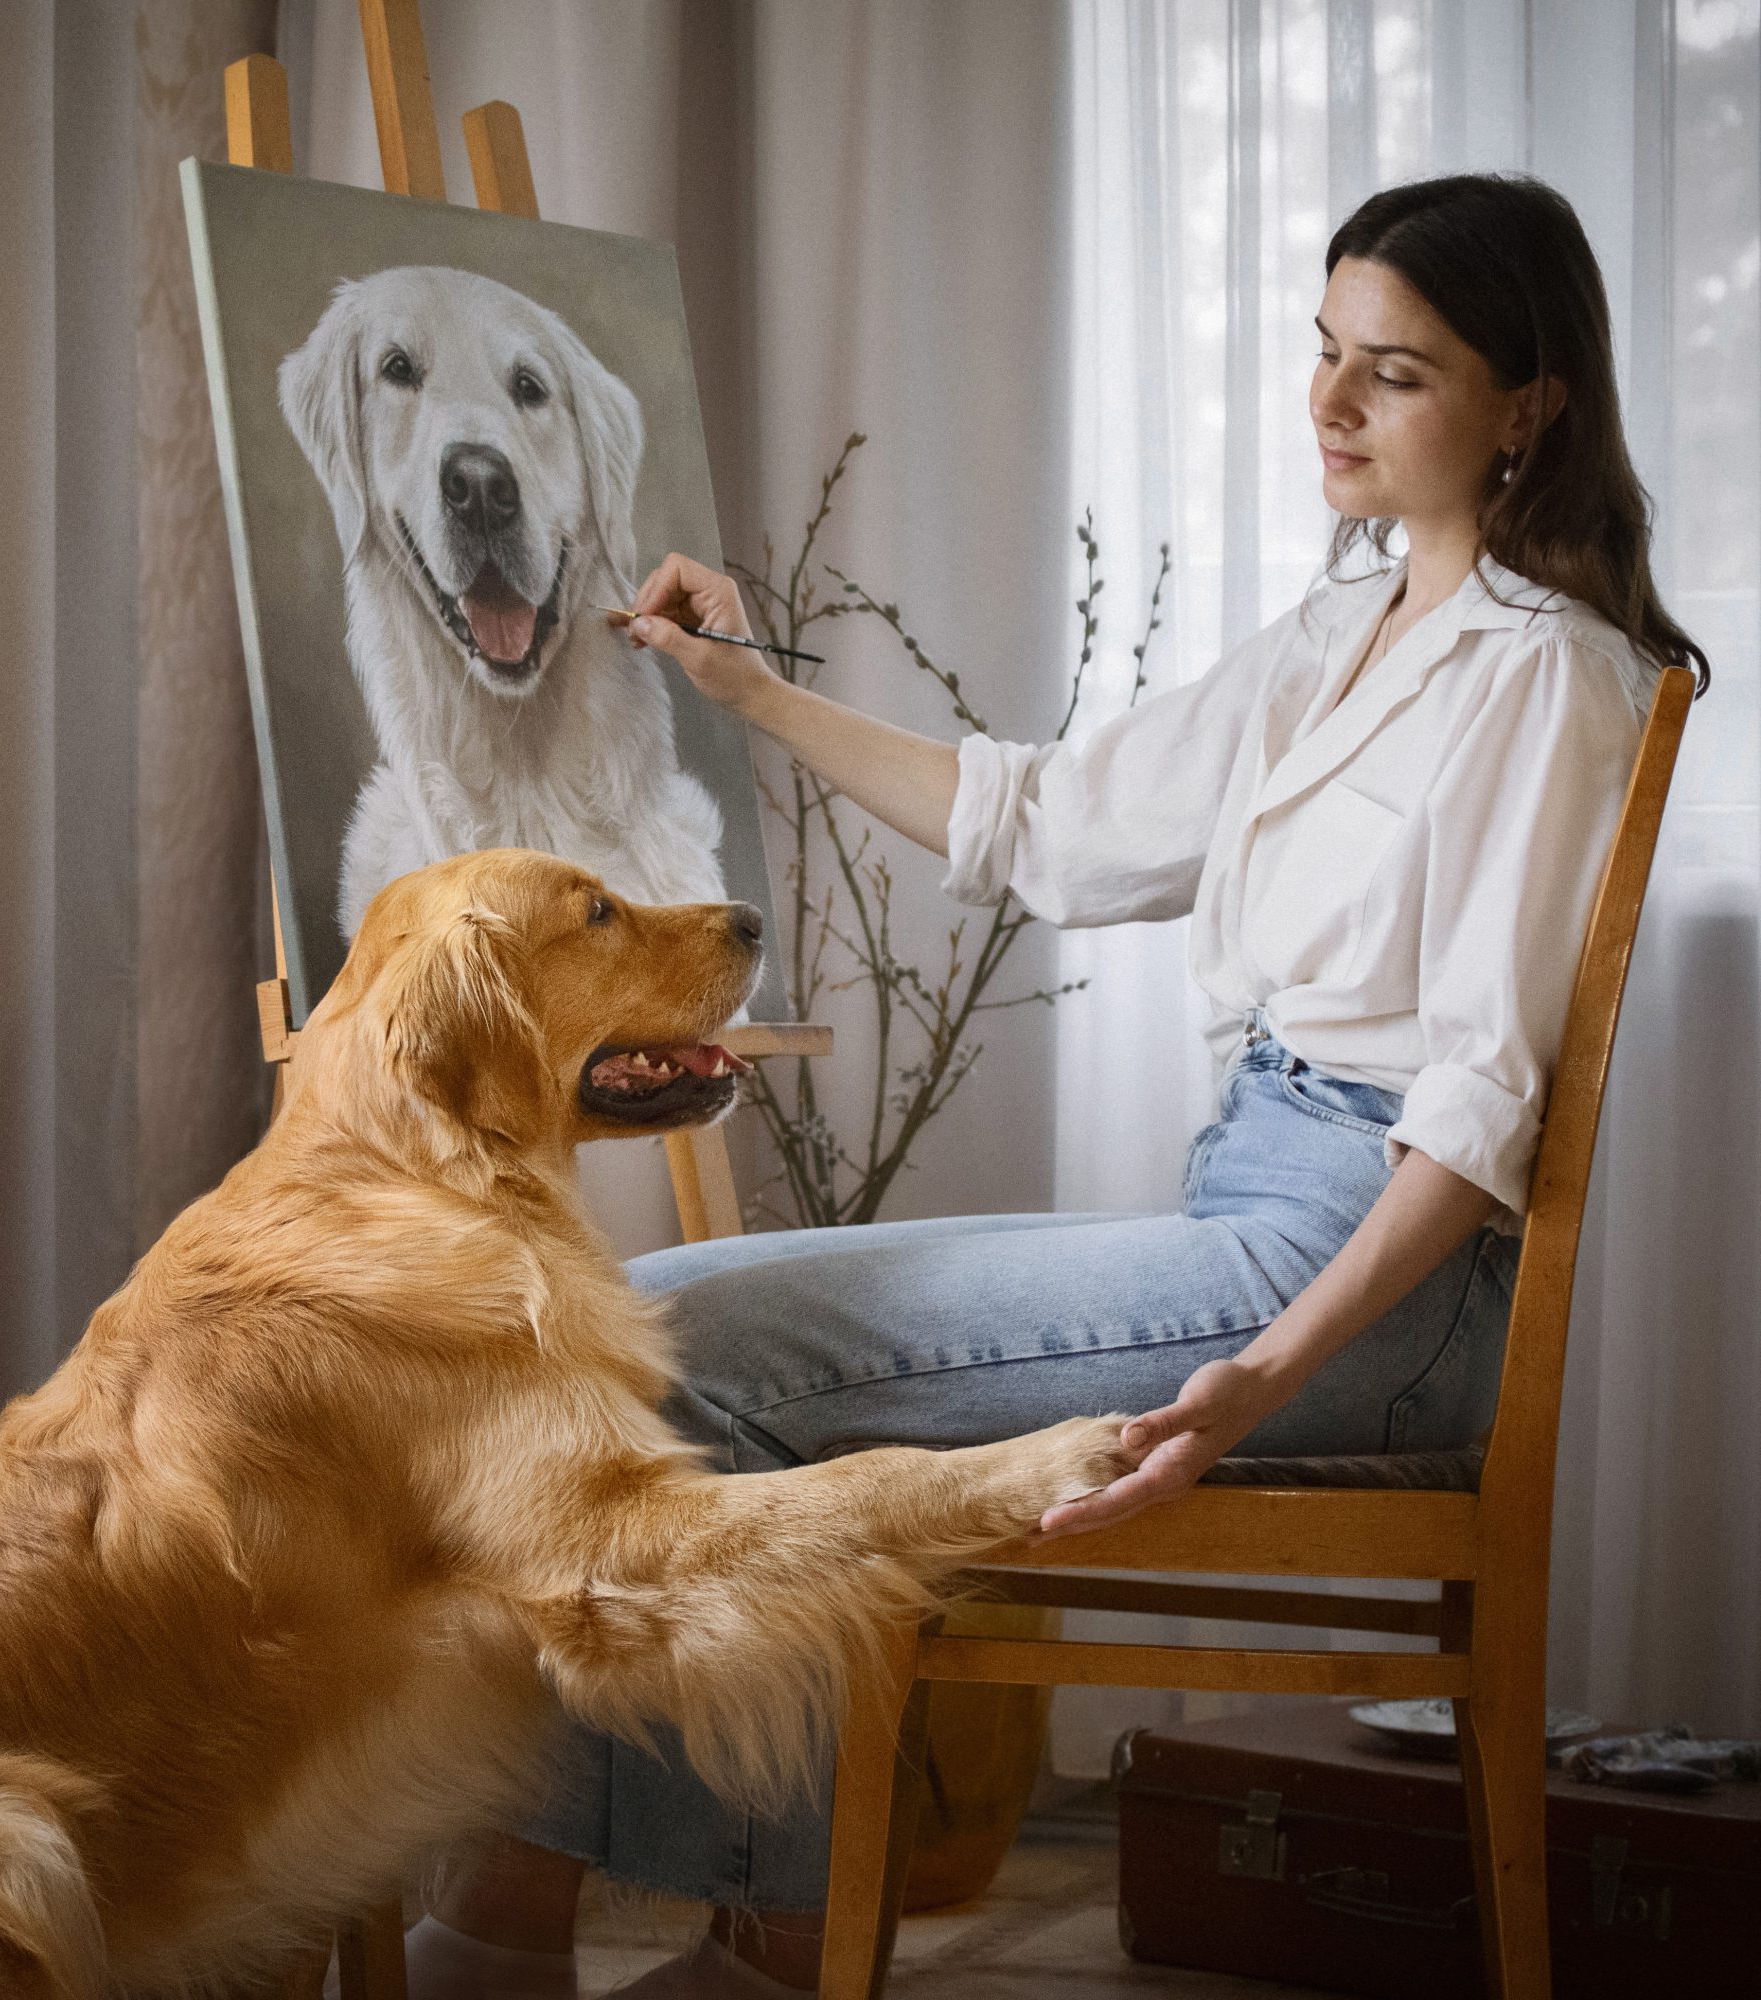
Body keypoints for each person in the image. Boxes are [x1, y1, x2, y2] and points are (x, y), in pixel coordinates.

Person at [398, 172, 1709, 1999]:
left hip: (1378, 1277)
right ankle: (721, 1931)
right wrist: (739, 687)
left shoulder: (1551, 681)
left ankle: (580, 1933)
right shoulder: (1341, 638)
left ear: (1532, 405)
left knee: (675, 1363)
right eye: (1323, 356)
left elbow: (1476, 1120)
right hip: (1260, 1203)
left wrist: (1271, 1367)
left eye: (1392, 376)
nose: (1328, 407)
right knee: (619, 1321)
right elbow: (1049, 826)